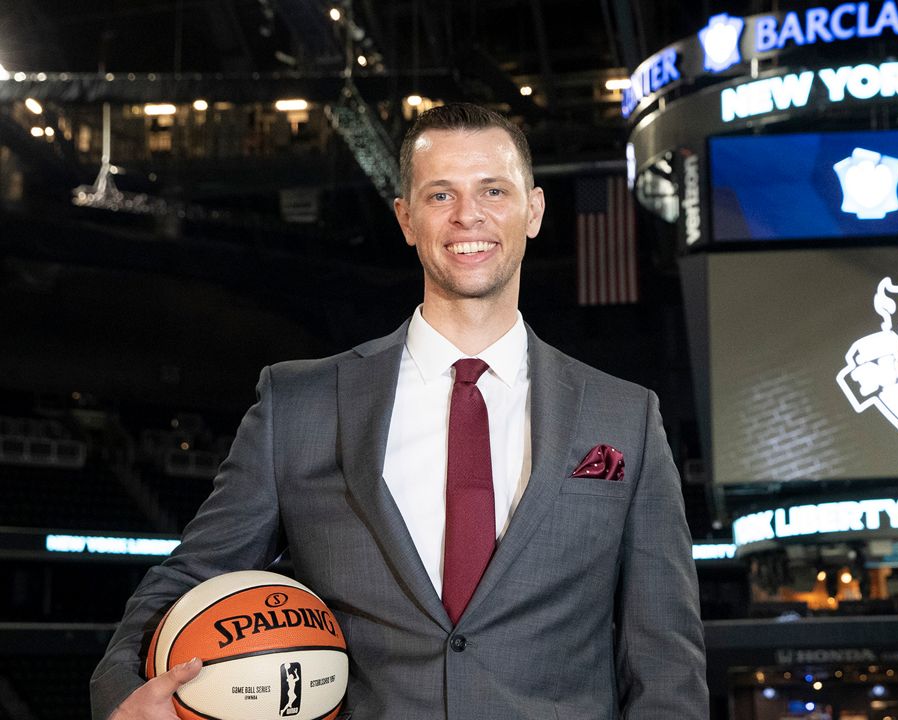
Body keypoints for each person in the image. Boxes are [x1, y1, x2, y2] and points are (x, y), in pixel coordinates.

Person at [90, 102, 708, 719]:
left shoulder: (624, 415)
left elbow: (665, 663)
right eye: (441, 195)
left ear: (535, 211)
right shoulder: (298, 405)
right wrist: (122, 694)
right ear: (406, 219)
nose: (469, 215)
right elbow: (192, 579)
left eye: (493, 190)